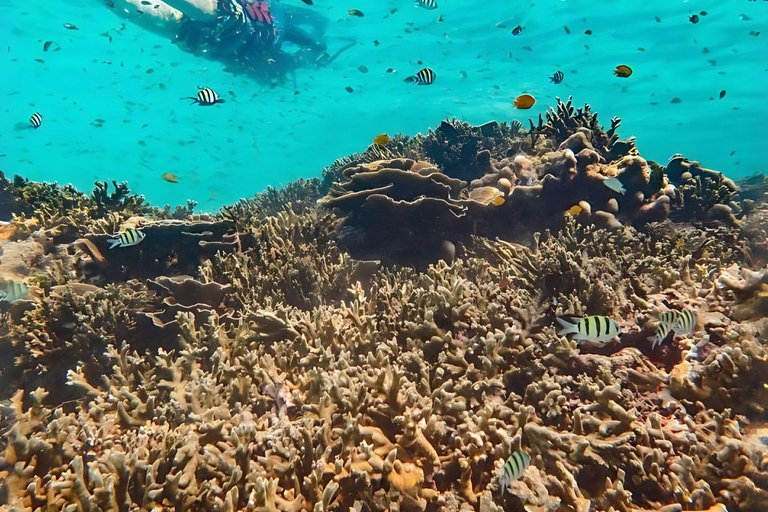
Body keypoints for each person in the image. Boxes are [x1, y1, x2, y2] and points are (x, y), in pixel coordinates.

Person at [107, 0, 330, 78]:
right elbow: (306, 35)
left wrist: (315, 44)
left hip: (230, 21)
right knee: (125, 6)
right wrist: (316, 46)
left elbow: (305, 33)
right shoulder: (279, 25)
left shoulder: (279, 16)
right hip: (201, 40)